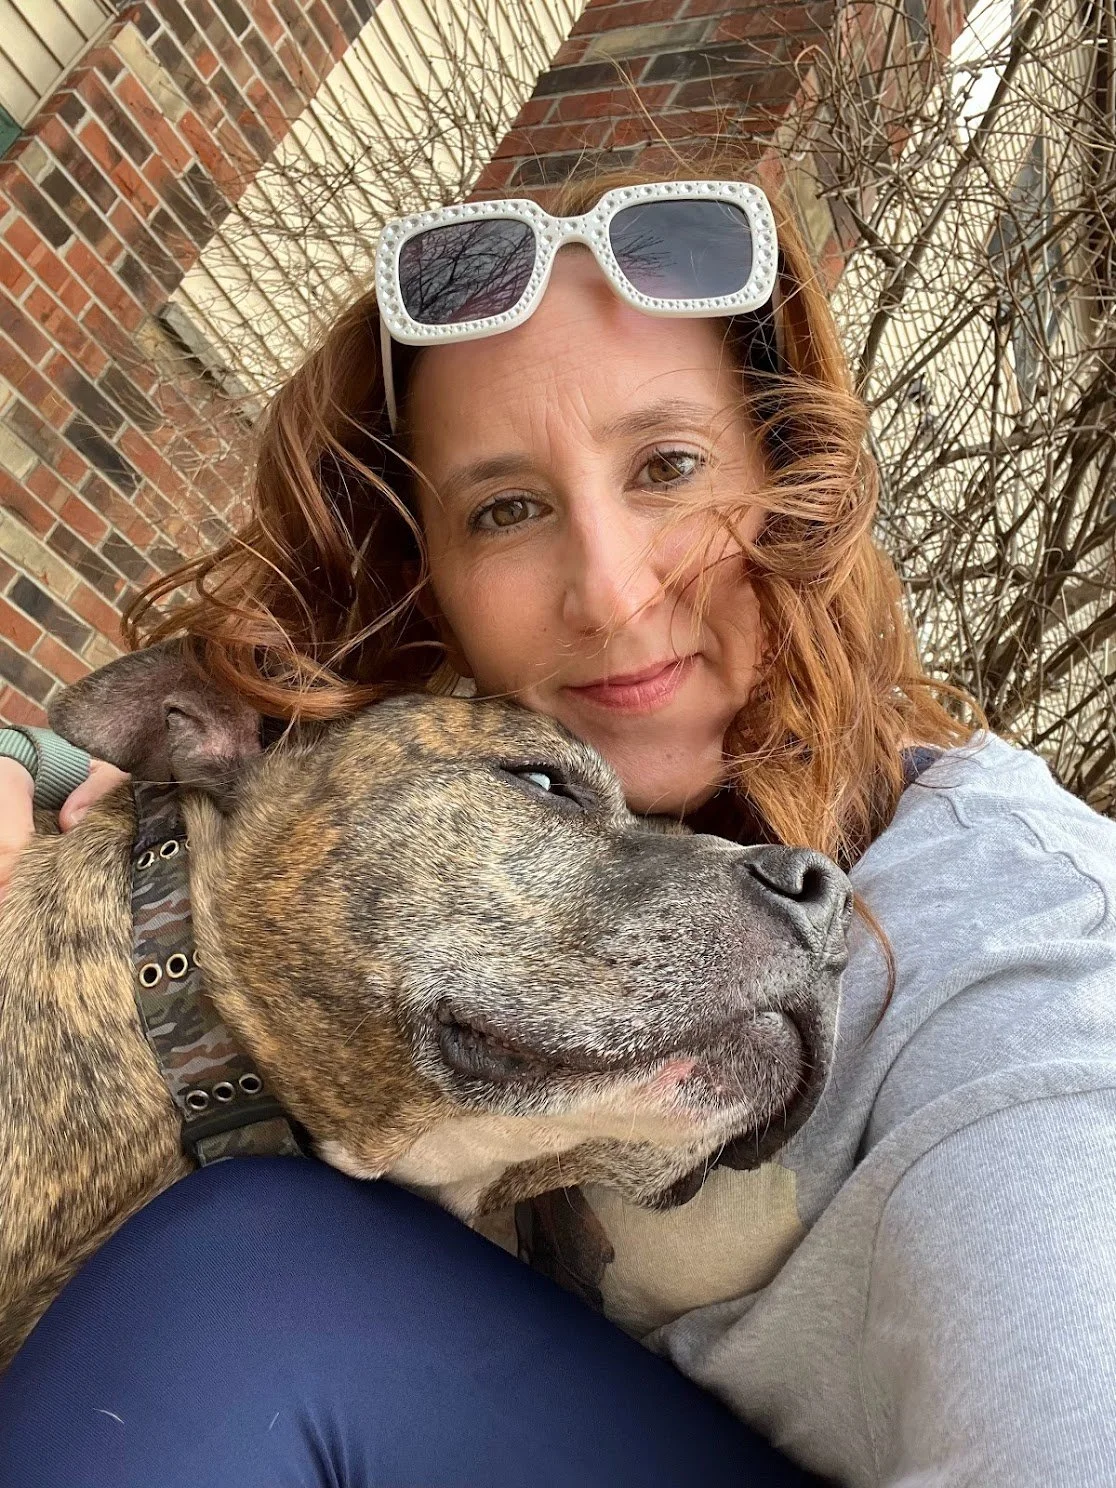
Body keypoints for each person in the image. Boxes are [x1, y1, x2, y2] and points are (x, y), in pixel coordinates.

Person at [1, 148, 1115, 1488]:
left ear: (796, 491)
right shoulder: (433, 818)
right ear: (435, 591)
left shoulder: (1026, 958)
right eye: (509, 508)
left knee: (242, 1284)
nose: (609, 586)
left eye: (670, 465)